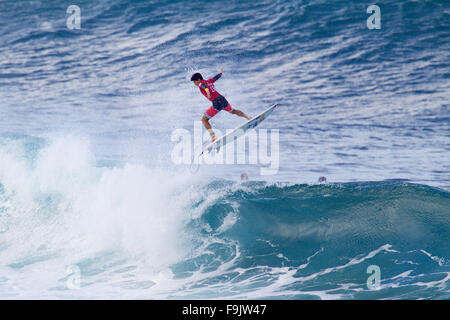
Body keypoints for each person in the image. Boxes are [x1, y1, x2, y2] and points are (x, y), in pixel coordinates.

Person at [191, 68, 251, 142]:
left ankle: (213, 137)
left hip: (217, 102)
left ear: (198, 80)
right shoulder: (209, 81)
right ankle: (248, 117)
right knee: (233, 111)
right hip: (222, 99)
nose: (194, 84)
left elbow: (204, 87)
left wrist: (208, 92)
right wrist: (220, 73)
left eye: (194, 82)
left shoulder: (201, 84)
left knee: (204, 120)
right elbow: (216, 78)